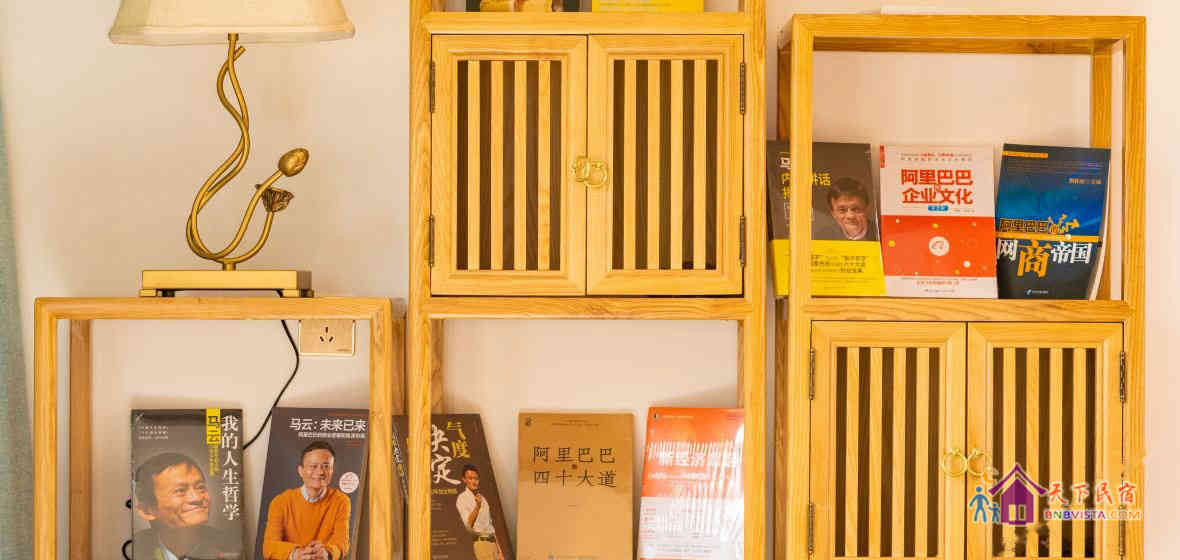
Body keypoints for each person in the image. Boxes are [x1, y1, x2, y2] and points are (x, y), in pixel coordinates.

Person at [133, 452, 239, 560]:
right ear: (146, 511)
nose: (196, 498)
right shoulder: (133, 549)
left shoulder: (232, 547)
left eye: (200, 487)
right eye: (180, 491)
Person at [262, 441, 351, 560]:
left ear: (332, 470)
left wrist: (327, 552)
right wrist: (296, 553)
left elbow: (342, 542)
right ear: (301, 471)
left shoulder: (341, 501)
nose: (320, 472)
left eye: (326, 466)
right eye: (313, 466)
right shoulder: (281, 502)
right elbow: (269, 547)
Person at [455, 465, 504, 560]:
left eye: (476, 478)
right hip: (482, 544)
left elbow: (490, 526)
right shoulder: (462, 499)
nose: (474, 481)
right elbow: (468, 524)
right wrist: (477, 506)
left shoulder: (483, 499)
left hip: (493, 544)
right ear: (464, 480)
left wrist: (500, 551)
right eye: (470, 478)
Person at [816, 177, 878, 241]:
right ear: (833, 214)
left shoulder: (880, 232)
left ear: (867, 209)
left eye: (856, 209)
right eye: (842, 210)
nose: (850, 216)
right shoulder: (824, 236)